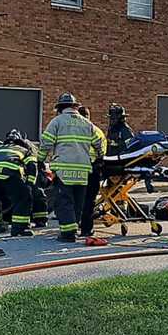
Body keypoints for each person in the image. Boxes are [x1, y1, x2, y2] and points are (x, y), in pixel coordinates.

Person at [38, 93, 105, 242]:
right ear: (75, 107)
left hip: (64, 170)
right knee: (78, 202)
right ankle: (73, 229)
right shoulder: (87, 124)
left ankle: (68, 234)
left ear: (60, 108)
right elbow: (99, 144)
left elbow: (46, 143)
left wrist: (40, 160)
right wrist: (99, 157)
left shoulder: (57, 122)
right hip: (83, 171)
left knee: (64, 202)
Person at [0, 129, 38, 237]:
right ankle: (19, 229)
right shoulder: (24, 149)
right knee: (23, 198)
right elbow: (32, 166)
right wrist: (30, 184)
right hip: (10, 174)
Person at [78, 105, 108, 237]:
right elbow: (102, 151)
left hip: (72, 168)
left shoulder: (69, 131)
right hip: (91, 169)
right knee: (89, 201)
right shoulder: (95, 130)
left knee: (72, 199)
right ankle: (86, 230)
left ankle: (68, 229)